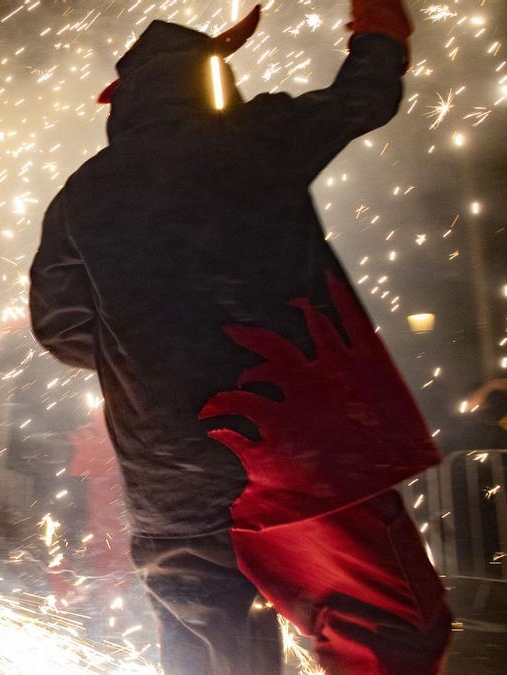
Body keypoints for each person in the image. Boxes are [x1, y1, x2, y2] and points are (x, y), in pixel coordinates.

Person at [29, 2, 452, 673]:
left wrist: (150, 357)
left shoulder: (81, 194)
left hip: (167, 482)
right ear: (207, 83)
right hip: (286, 459)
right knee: (384, 631)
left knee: (208, 655)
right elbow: (363, 98)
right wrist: (380, 30)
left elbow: (60, 329)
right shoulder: (257, 136)